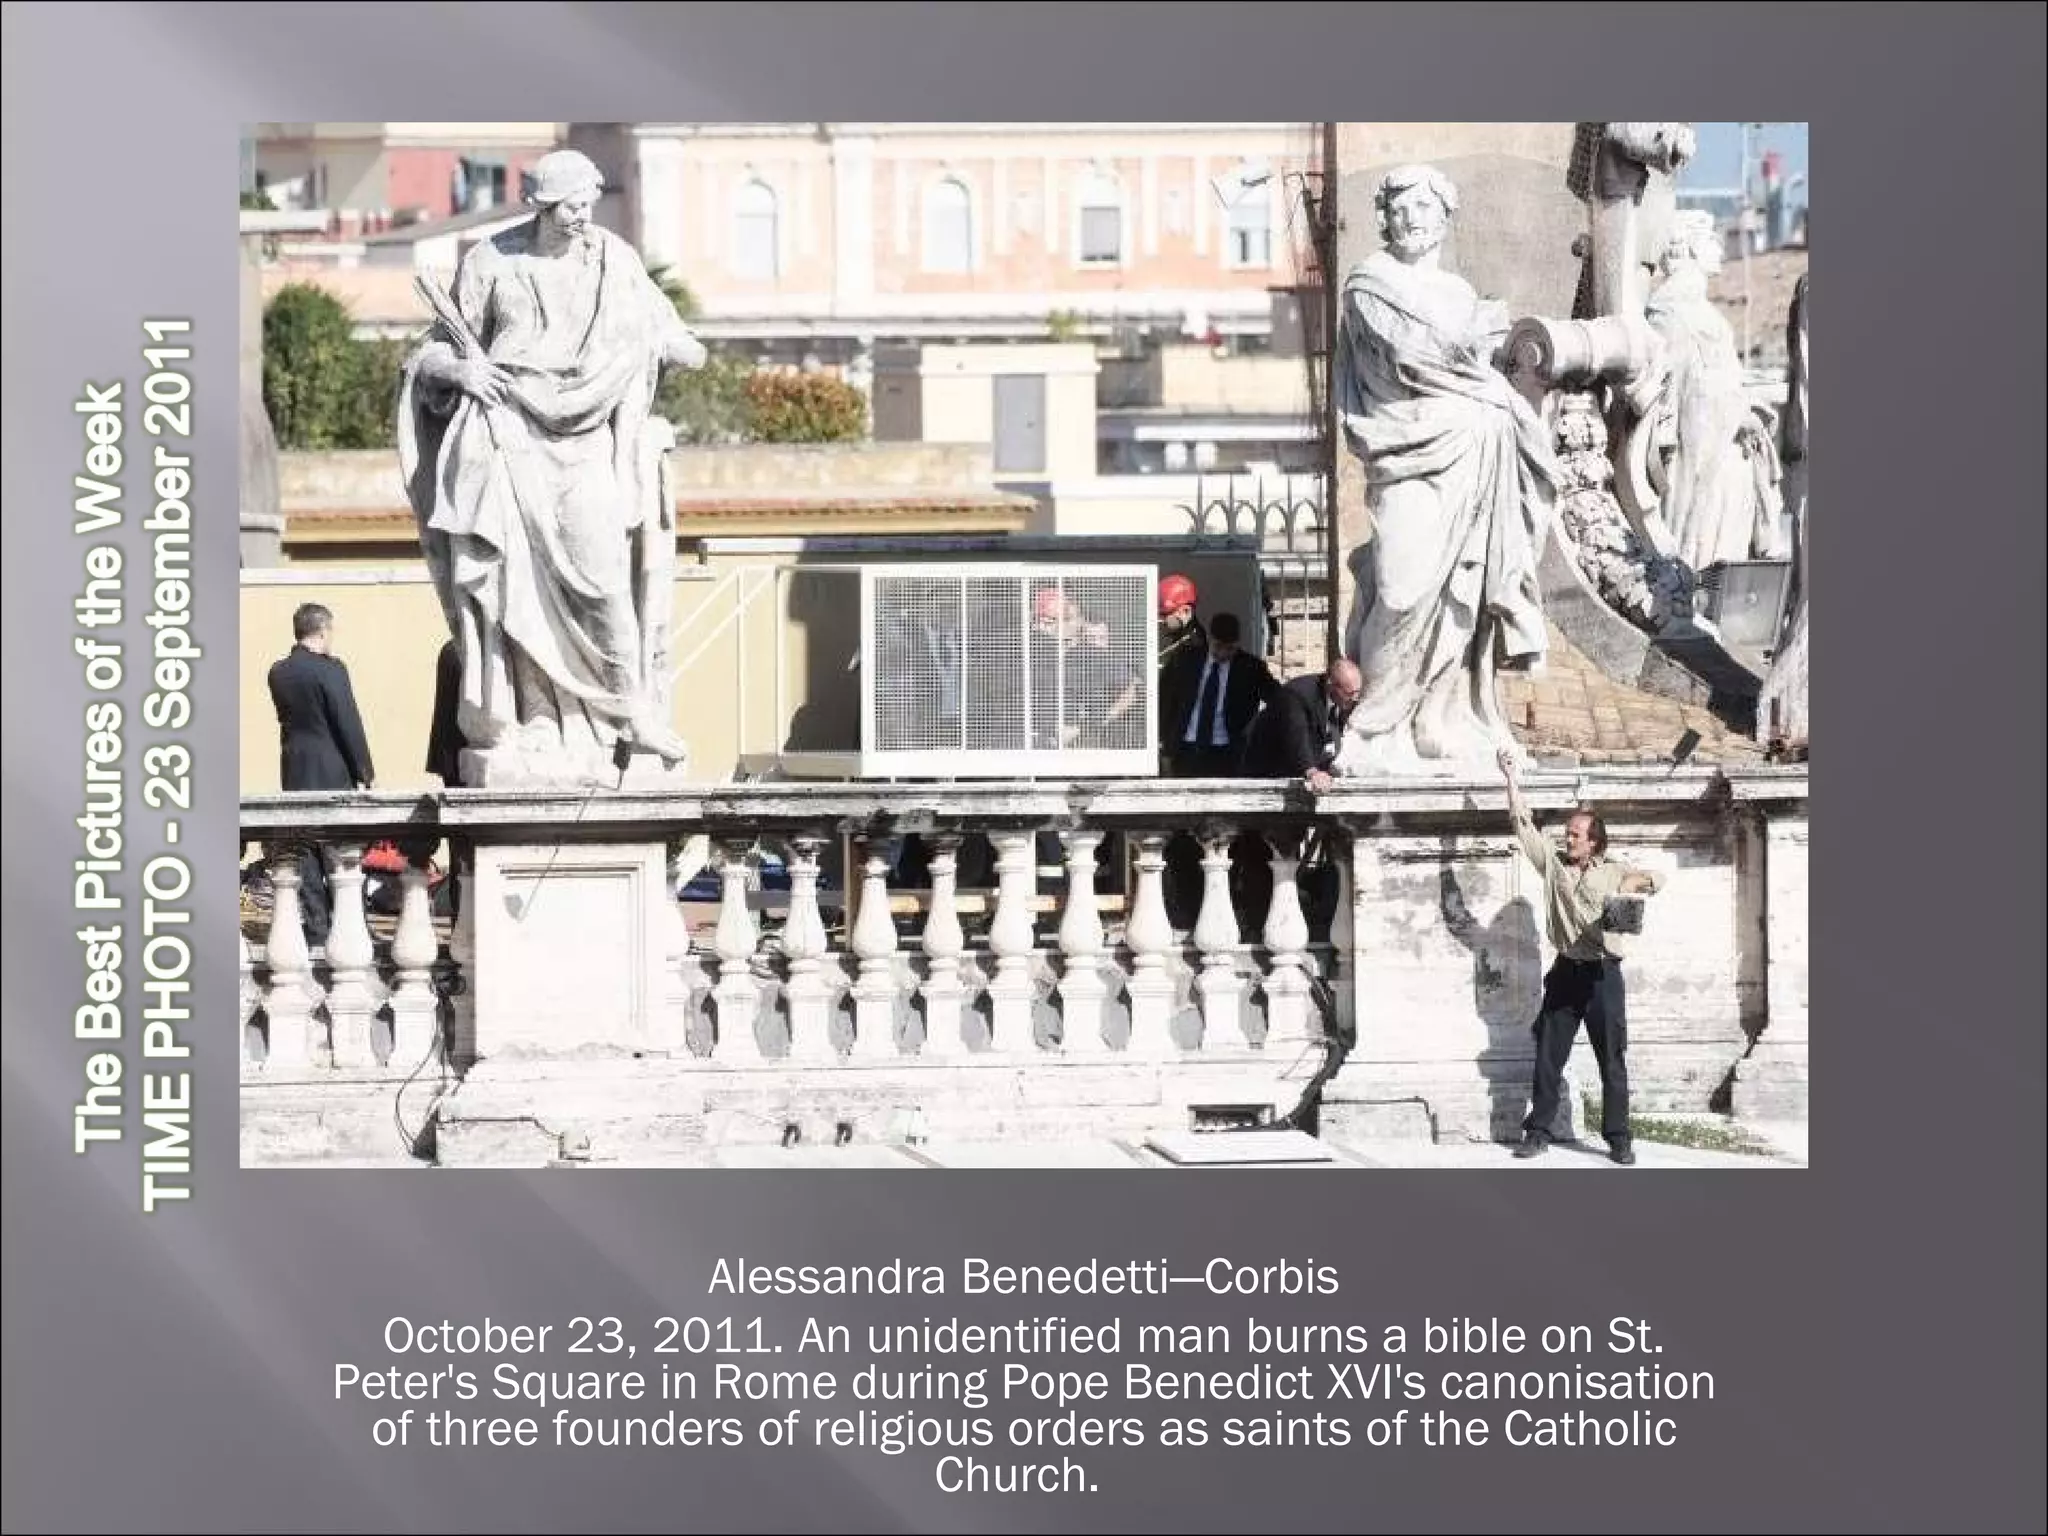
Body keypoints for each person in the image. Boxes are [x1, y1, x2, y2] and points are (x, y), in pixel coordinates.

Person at [398, 147, 706, 784]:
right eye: (568, 206)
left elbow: (684, 343)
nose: (581, 216)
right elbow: (426, 358)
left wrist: (653, 346)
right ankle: (539, 720)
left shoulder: (615, 262)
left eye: (587, 203)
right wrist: (462, 370)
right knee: (517, 590)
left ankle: (631, 712)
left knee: (604, 581)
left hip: (588, 442)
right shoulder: (491, 262)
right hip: (508, 435)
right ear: (539, 205)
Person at [1332, 164, 1560, 777]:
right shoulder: (1370, 284)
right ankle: (1375, 723)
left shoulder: (1459, 294)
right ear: (1385, 219)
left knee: (1462, 593)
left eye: (1424, 207)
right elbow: (1411, 356)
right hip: (1406, 451)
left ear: (1444, 217)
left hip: (1472, 452)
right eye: (1400, 208)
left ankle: (1436, 718)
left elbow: (1475, 369)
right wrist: (1477, 336)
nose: (1412, 218)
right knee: (1402, 588)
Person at [1497, 746, 1662, 1165]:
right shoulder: (1553, 866)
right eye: (1567, 833)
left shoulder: (1614, 871)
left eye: (1575, 834)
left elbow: (1657, 878)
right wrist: (1510, 778)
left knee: (1612, 1060)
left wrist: (1639, 883)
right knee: (1548, 1057)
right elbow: (1522, 825)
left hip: (1603, 977)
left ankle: (1619, 1139)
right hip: (1566, 973)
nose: (1567, 838)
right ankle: (1537, 1132)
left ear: (1594, 842)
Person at [266, 603, 376, 946]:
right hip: (332, 768)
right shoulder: (331, 669)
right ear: (323, 631)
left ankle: (317, 928)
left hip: (294, 767)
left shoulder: (278, 672)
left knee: (305, 851)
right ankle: (352, 925)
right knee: (341, 852)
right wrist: (364, 768)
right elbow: (347, 721)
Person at [1160, 612, 1278, 778]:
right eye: (1218, 646)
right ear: (1209, 639)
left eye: (1229, 648)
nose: (1222, 654)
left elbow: (1278, 699)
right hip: (1186, 747)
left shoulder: (1251, 668)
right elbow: (1166, 701)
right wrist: (1164, 744)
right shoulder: (1185, 660)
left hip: (1227, 751)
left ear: (1237, 644)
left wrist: (1258, 727)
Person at [1242, 658, 1363, 792]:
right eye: (1349, 693)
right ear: (1331, 685)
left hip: (1295, 771)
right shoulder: (1298, 694)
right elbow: (1296, 735)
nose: (1355, 698)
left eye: (1358, 692)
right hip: (1267, 771)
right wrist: (1312, 772)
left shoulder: (1341, 700)